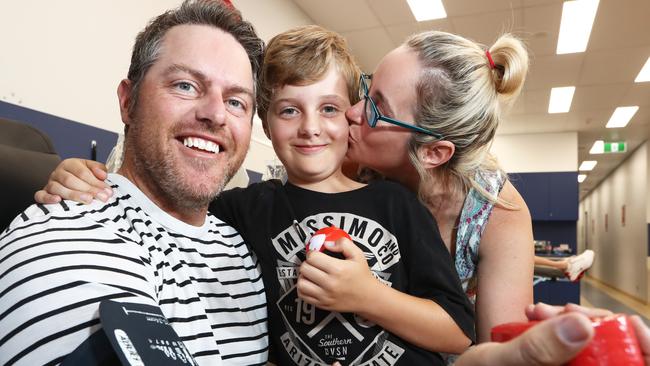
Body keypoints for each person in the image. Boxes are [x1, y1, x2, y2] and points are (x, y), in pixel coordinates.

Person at [32, 24, 476, 365]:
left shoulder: (395, 203)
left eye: (329, 109)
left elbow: (458, 330)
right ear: (264, 125)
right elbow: (168, 206)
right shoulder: (244, 209)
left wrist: (368, 296)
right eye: (288, 111)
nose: (309, 127)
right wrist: (79, 172)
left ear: (352, 119)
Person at [0, 1, 269, 365]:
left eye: (236, 101)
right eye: (186, 85)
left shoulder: (241, 251)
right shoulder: (68, 231)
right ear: (128, 102)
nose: (216, 114)